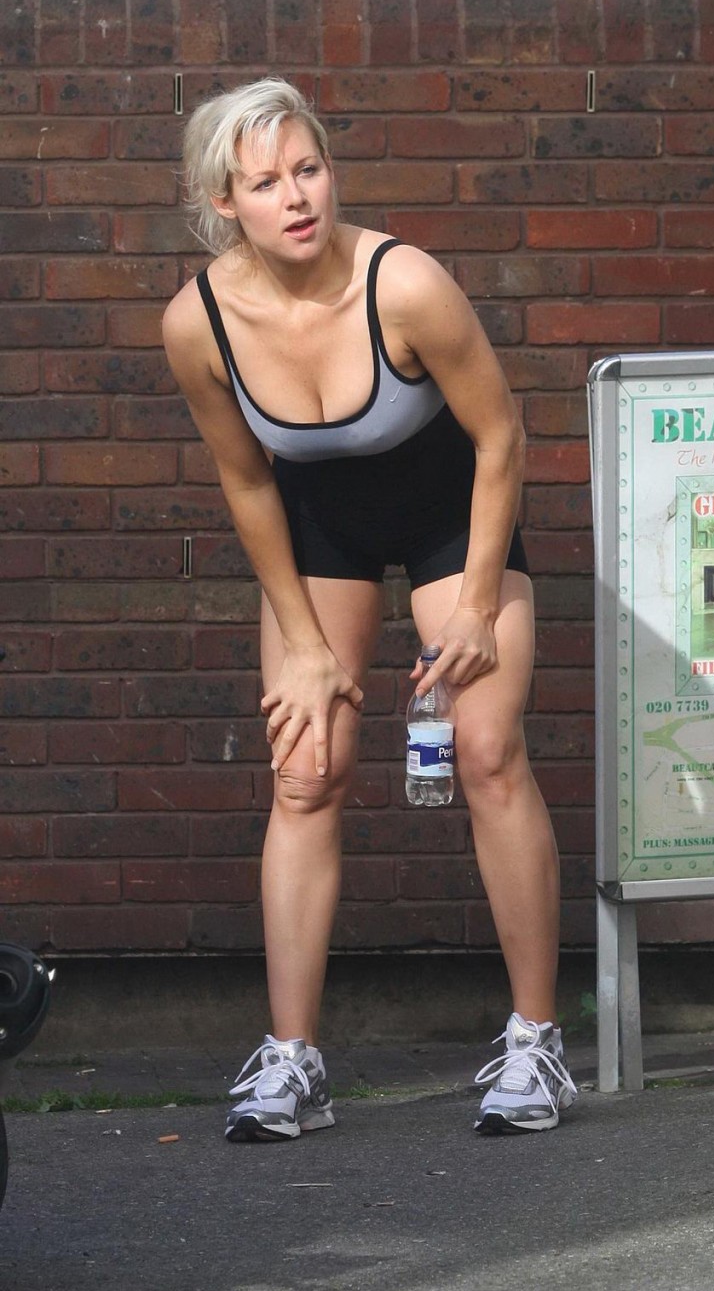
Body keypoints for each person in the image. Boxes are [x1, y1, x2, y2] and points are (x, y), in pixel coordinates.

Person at [162, 78, 575, 1140]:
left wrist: (479, 600)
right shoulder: (198, 323)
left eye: (309, 168)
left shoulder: (404, 284)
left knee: (483, 748)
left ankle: (536, 1040)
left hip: (452, 518)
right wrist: (300, 644)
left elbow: (501, 438)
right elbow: (249, 483)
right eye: (266, 181)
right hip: (321, 537)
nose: (297, 196)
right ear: (225, 202)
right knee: (307, 770)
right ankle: (291, 1058)